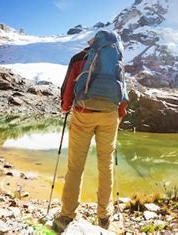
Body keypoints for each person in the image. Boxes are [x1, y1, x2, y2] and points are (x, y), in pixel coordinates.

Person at [53, 30, 128, 232]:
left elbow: (66, 97)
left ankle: (67, 215)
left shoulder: (79, 58)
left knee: (75, 167)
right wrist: (116, 116)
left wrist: (67, 107)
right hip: (109, 116)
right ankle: (104, 216)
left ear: (93, 42)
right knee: (106, 166)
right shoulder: (116, 61)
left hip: (83, 115)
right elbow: (123, 98)